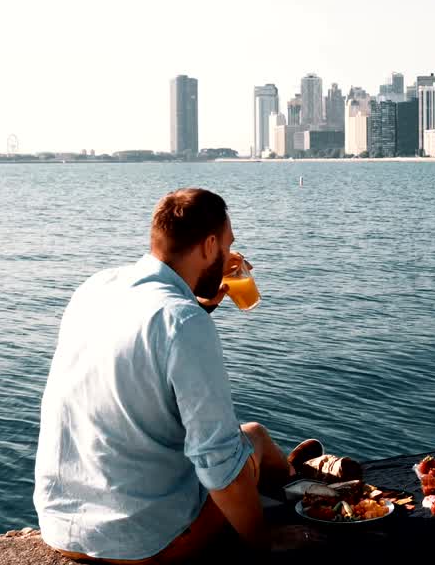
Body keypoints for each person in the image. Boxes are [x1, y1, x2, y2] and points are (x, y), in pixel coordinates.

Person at [34, 188, 319, 563]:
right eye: (228, 244)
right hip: (142, 542)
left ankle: (297, 477)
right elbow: (220, 466)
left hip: (61, 528)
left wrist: (200, 306)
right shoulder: (184, 322)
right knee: (254, 439)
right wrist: (263, 543)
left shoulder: (95, 288)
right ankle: (305, 487)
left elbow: (147, 348)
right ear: (210, 245)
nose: (230, 255)